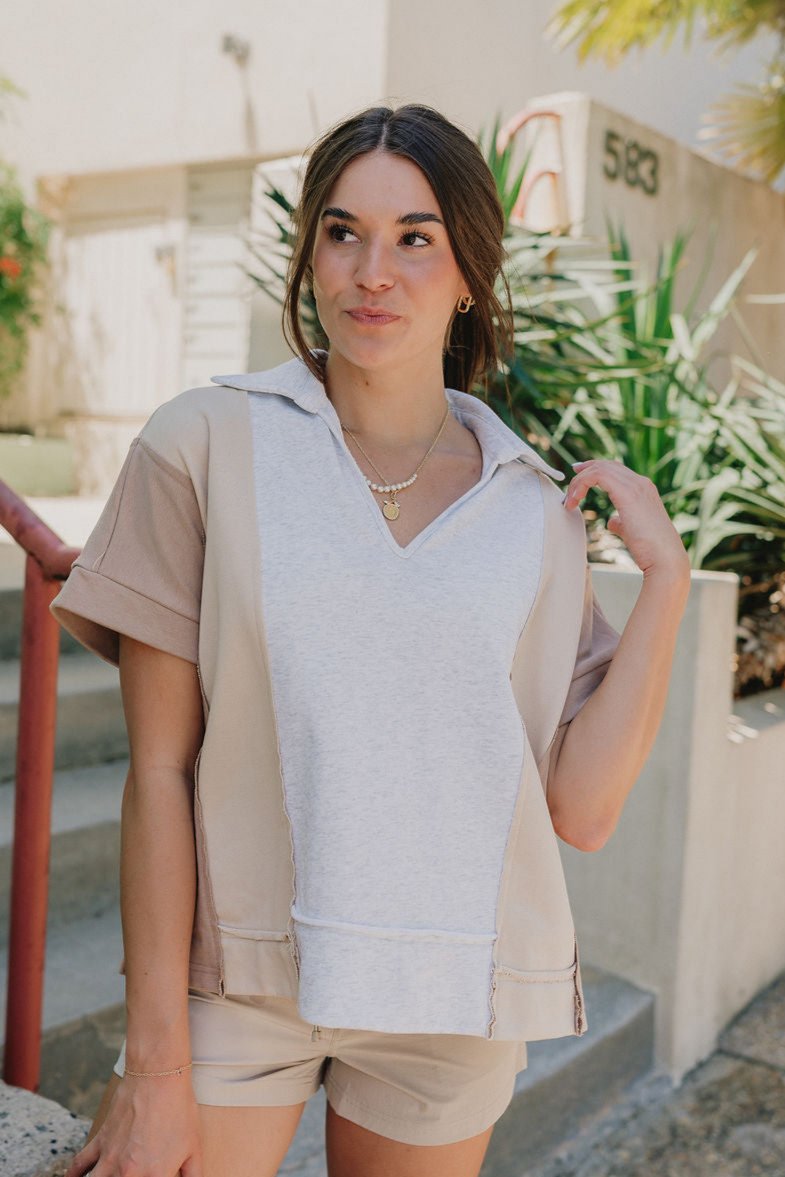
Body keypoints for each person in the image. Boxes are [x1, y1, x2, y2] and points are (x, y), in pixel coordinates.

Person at [52, 102, 691, 1177]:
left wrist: (664, 583)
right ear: (309, 253)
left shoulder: (528, 508)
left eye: (414, 238)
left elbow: (579, 808)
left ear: (468, 272)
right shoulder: (202, 446)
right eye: (341, 232)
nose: (369, 272)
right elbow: (158, 771)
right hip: (239, 986)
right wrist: (151, 1065)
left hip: (448, 1000)